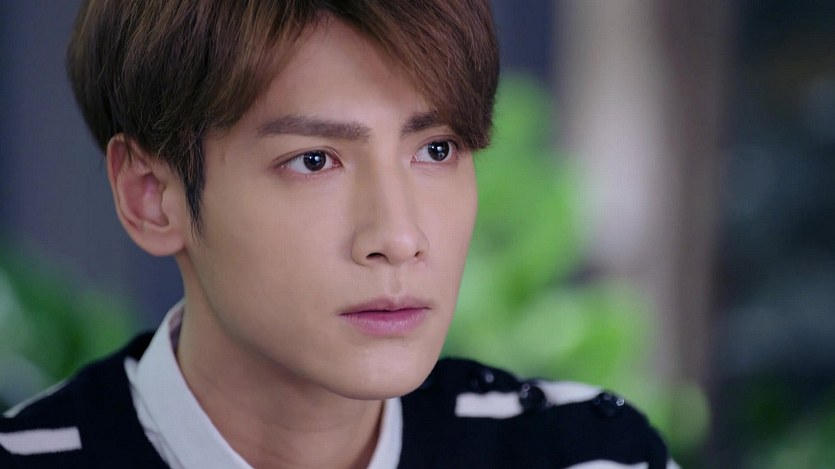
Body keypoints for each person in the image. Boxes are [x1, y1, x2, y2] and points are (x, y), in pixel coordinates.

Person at [0, 1, 675, 467]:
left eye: (436, 149)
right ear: (151, 196)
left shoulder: (586, 451)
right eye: (314, 161)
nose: (399, 237)